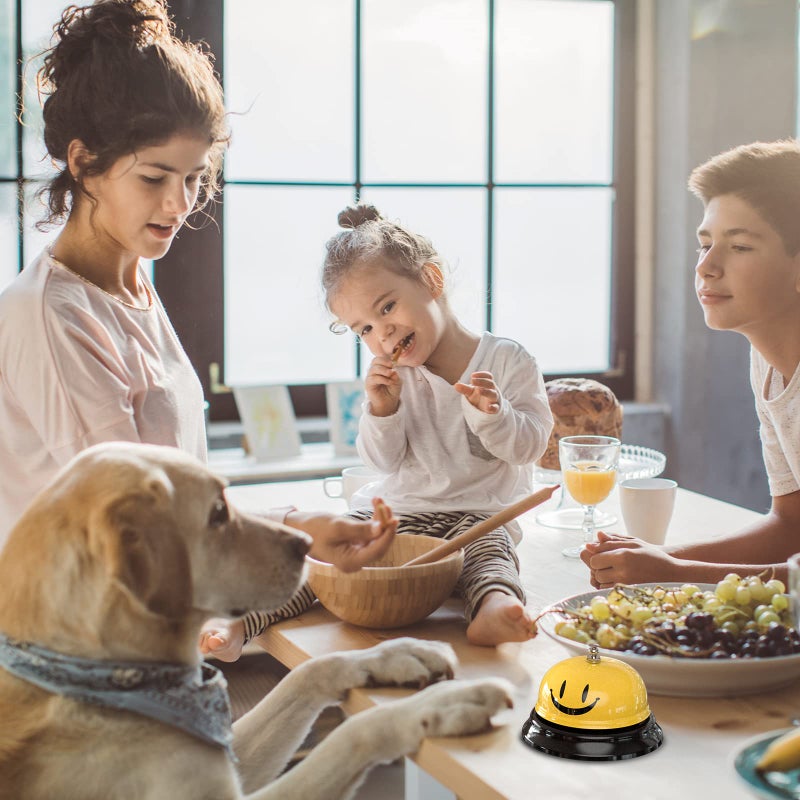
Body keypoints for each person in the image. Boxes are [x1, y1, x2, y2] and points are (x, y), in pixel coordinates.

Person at [0, 0, 396, 661]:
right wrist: (292, 531)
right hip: (78, 664)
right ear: (83, 160)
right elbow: (140, 520)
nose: (180, 205)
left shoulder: (131, 288)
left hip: (141, 641)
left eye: (193, 178)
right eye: (155, 177)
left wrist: (298, 532)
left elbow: (178, 494)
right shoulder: (50, 315)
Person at [233, 204, 554, 649]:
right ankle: (242, 623)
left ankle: (495, 609)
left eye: (387, 308)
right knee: (326, 561)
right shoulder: (393, 377)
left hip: (479, 517)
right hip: (397, 512)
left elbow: (529, 447)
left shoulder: (507, 360)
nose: (381, 335)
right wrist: (381, 411)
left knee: (492, 560)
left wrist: (492, 416)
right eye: (363, 328)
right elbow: (381, 461)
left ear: (432, 281)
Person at [581, 139, 800, 589]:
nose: (706, 268)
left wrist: (681, 573)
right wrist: (659, 558)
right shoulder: (768, 359)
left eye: (739, 247)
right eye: (704, 245)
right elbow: (791, 524)